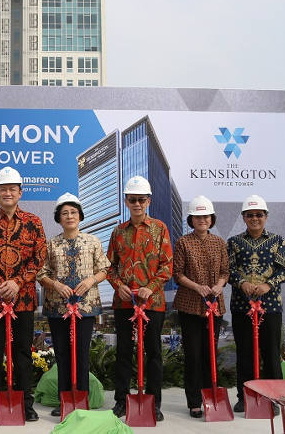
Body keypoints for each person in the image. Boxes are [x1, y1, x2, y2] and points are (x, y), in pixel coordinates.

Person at [0, 166, 47, 422]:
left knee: (23, 353)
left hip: (23, 300)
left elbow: (40, 257)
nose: (7, 193)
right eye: (3, 189)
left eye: (12, 189)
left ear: (20, 192)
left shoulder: (33, 222)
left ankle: (26, 403)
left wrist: (16, 282)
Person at [37, 192, 109, 418]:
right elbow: (41, 273)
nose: (69, 216)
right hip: (58, 307)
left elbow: (105, 270)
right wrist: (56, 285)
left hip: (85, 307)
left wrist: (90, 280)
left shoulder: (93, 241)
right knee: (62, 354)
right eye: (64, 213)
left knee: (82, 354)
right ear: (58, 218)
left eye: (73, 212)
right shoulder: (51, 244)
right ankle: (65, 400)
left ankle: (82, 399)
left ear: (80, 216)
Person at [107, 175, 173, 422]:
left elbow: (167, 265)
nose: (137, 204)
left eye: (141, 200)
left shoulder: (160, 229)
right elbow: (109, 266)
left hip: (152, 303)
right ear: (126, 201)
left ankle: (154, 403)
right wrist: (119, 285)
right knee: (123, 351)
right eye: (132, 199)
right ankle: (121, 401)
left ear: (149, 201)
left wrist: (152, 288)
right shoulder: (118, 232)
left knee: (153, 352)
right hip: (124, 303)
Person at [228, 194, 285, 414]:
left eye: (259, 214)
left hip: (271, 306)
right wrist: (242, 282)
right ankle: (244, 397)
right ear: (244, 217)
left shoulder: (277, 241)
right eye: (250, 215)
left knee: (271, 353)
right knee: (244, 353)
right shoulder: (234, 243)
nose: (255, 218)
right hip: (241, 306)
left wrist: (268, 285)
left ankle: (274, 399)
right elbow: (228, 271)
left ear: (266, 216)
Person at [172, 195, 229, 419]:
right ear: (191, 219)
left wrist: (219, 285)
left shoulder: (219, 242)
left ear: (211, 218)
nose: (202, 220)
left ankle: (211, 396)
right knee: (193, 355)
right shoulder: (183, 242)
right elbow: (177, 274)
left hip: (214, 305)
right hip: (190, 305)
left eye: (205, 216)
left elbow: (225, 271)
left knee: (210, 354)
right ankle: (195, 401)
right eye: (197, 216)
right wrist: (198, 287)